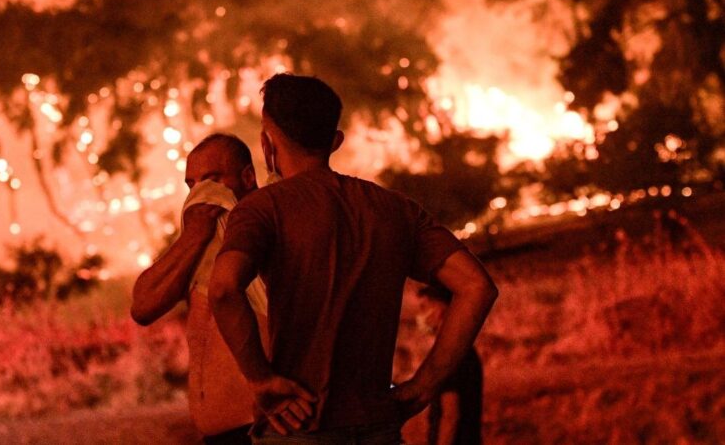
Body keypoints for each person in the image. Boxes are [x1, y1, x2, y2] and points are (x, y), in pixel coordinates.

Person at [209, 73, 498, 444]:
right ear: (335, 142)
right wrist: (424, 386)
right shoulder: (394, 209)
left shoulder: (261, 210)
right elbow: (476, 286)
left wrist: (260, 379)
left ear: (266, 144)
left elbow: (223, 288)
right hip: (379, 428)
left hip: (299, 427)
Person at [131, 134, 268, 444]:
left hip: (257, 428)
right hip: (217, 434)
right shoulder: (199, 242)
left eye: (212, 180)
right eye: (192, 185)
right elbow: (142, 306)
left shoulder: (267, 229)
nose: (201, 194)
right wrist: (193, 237)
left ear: (247, 177)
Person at [417, 285, 483, 445]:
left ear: (440, 310)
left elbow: (450, 415)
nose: (419, 315)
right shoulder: (465, 349)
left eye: (424, 307)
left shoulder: (448, 354)